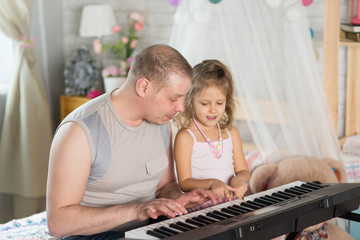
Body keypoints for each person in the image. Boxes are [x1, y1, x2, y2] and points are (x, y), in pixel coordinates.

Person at [46, 45, 219, 238]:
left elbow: (164, 187)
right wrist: (136, 210)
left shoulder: (162, 121)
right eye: (174, 98)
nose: (180, 107)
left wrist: (180, 199)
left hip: (145, 228)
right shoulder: (79, 131)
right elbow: (58, 224)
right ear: (143, 87)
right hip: (93, 235)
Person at [173, 59, 250, 204]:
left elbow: (244, 171)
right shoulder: (186, 137)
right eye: (205, 103)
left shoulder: (231, 133)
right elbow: (184, 182)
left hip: (230, 202)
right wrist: (212, 183)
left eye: (219, 103)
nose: (213, 110)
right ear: (190, 101)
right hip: (202, 206)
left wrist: (238, 180)